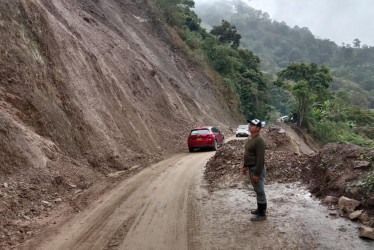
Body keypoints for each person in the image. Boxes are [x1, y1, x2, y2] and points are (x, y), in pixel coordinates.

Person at [242, 119, 267, 221]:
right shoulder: (250, 138)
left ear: (258, 128)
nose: (250, 126)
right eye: (250, 124)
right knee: (257, 190)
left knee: (260, 191)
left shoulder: (259, 140)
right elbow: (247, 153)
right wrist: (245, 166)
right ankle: (259, 209)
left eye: (252, 125)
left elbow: (261, 159)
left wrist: (256, 173)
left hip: (257, 169)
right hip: (251, 168)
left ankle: (262, 214)